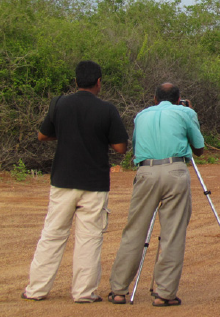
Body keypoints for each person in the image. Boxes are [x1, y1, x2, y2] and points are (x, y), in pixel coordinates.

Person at [22, 60, 129, 303]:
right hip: (94, 183)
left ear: (75, 81)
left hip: (62, 181)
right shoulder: (107, 109)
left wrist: (67, 132)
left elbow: (42, 135)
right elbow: (121, 148)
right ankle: (84, 292)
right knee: (89, 237)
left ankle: (36, 289)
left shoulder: (59, 104)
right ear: (99, 82)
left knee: (52, 234)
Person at [109, 82, 204, 307]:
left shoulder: (141, 115)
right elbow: (199, 149)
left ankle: (119, 290)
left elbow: (135, 148)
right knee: (173, 232)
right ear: (178, 98)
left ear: (154, 99)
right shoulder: (186, 112)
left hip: (146, 171)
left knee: (134, 230)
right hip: (175, 170)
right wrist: (190, 113)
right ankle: (164, 293)